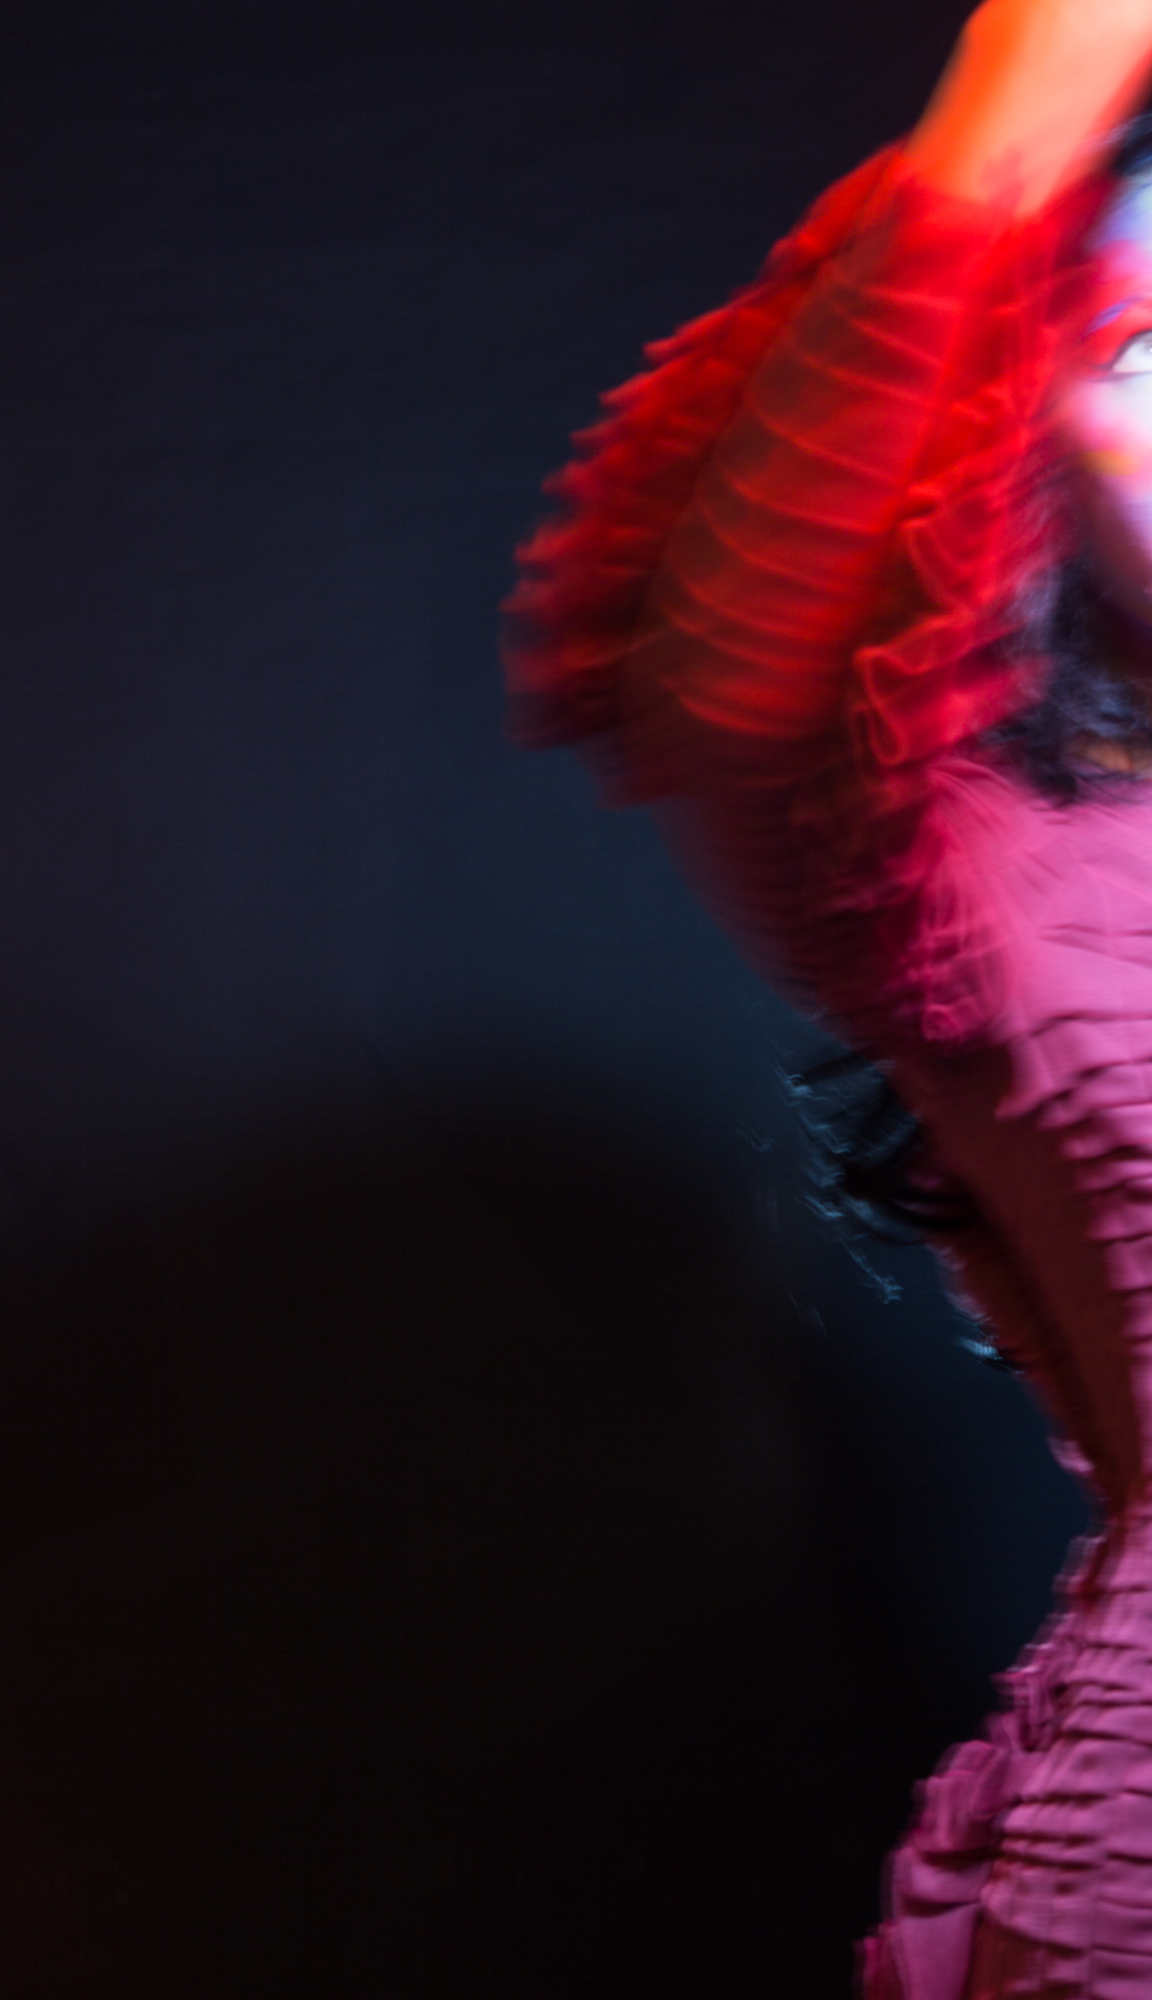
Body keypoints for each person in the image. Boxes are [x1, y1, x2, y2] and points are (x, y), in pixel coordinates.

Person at [503, 1, 1152, 1994]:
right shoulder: (976, 853)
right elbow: (735, 650)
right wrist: (1035, 84)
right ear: (1021, 439)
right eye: (1142, 355)